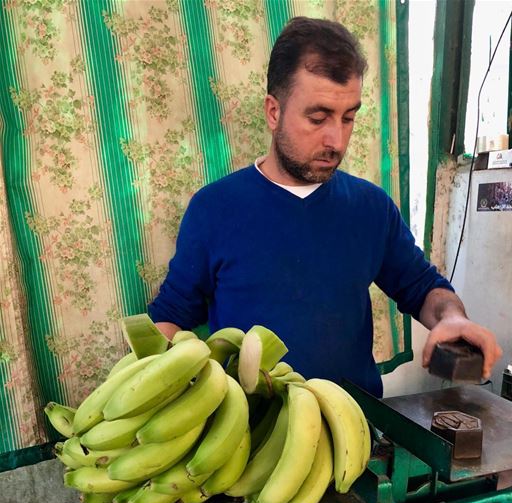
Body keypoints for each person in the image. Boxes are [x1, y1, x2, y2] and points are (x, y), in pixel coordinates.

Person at [148, 17, 502, 397]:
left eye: (348, 118)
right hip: (249, 436)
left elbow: (422, 287)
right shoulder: (214, 209)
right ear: (273, 112)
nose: (335, 139)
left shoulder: (370, 208)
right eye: (317, 118)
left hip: (353, 425)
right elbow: (172, 316)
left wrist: (451, 317)